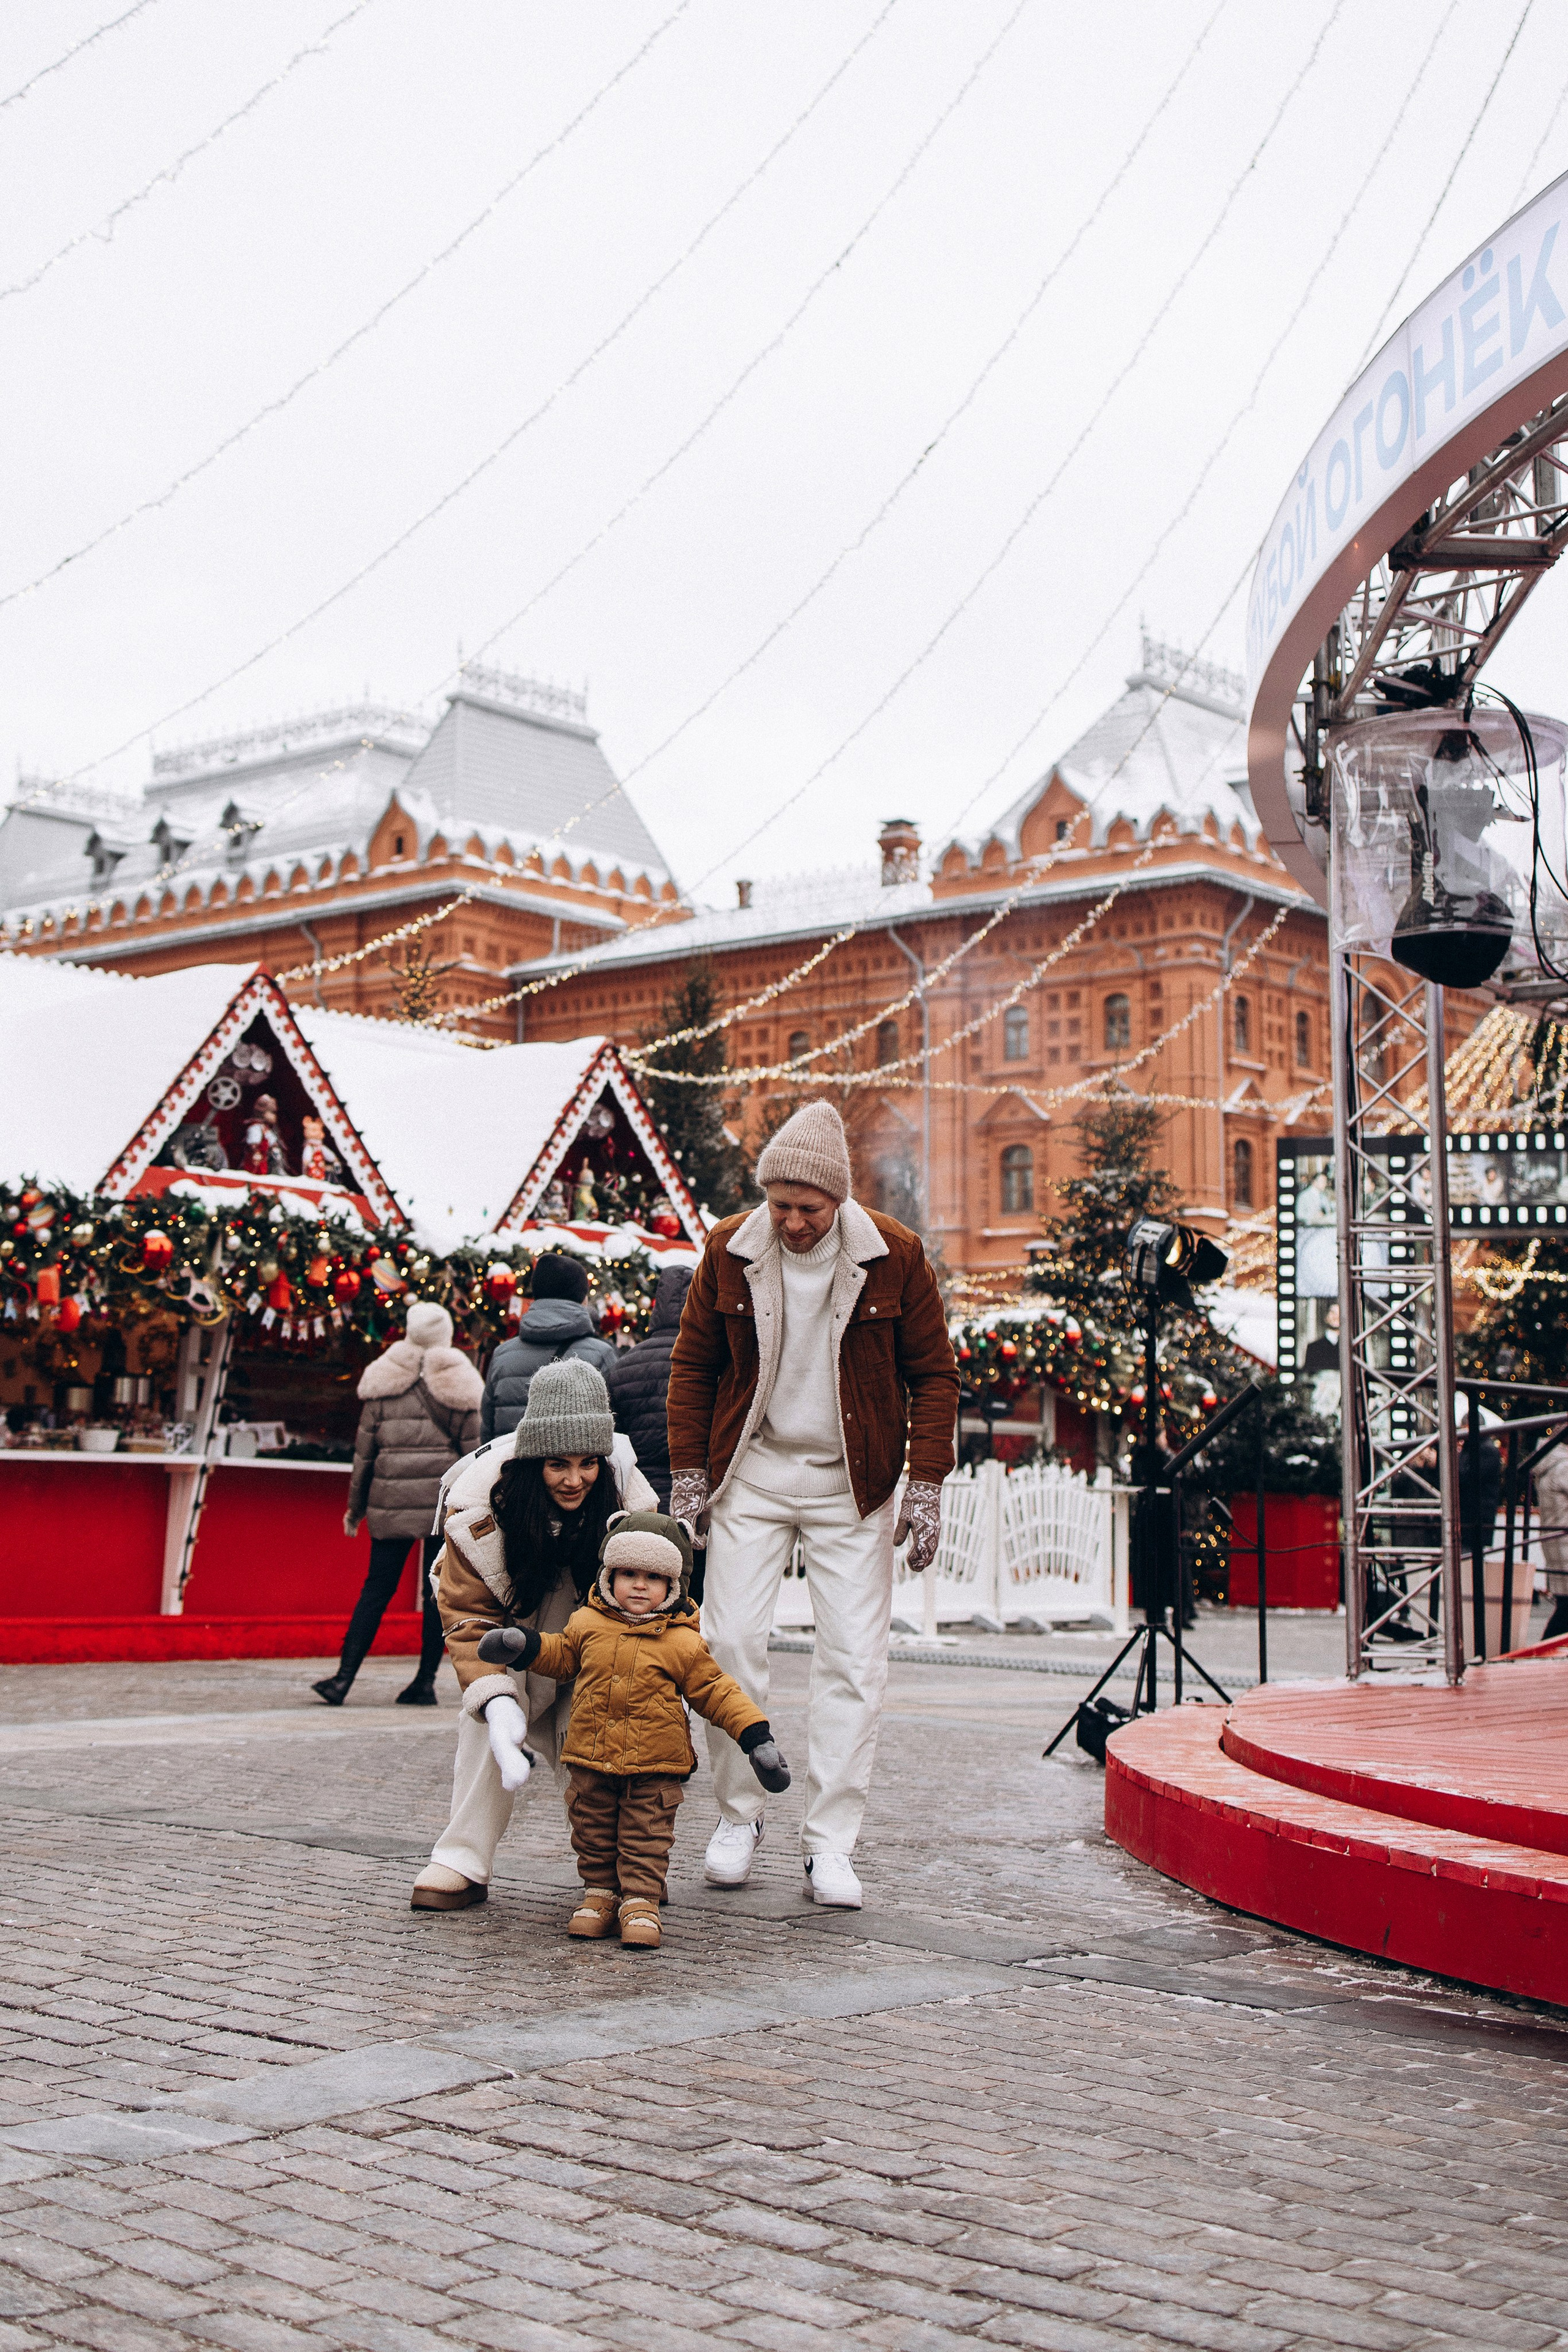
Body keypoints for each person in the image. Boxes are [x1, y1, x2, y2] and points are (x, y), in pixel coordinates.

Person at [666, 1099, 959, 1910]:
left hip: (853, 1487)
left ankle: (830, 1843)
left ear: (839, 1199)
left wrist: (926, 1485)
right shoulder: (730, 1247)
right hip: (752, 1475)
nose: (792, 1223)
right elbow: (693, 1364)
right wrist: (689, 1476)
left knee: (855, 1664)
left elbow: (934, 1375)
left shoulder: (895, 1254)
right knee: (727, 1643)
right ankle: (739, 1816)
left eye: (809, 1209)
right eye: (780, 1205)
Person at [410, 1357, 657, 1910]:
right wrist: (497, 1699)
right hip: (513, 1649)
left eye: (589, 1463)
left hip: (593, 1658)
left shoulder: (632, 1509)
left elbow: (661, 1607)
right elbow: (467, 1617)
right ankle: (461, 1860)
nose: (575, 1479)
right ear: (533, 1461)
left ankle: (622, 1869)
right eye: (558, 1464)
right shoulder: (479, 1512)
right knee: (483, 1721)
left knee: (603, 1747)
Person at [477, 1511, 790, 1948]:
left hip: (655, 1765)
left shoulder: (683, 1642)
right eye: (628, 1574)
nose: (639, 1586)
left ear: (674, 1584)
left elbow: (718, 1693)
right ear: (609, 1574)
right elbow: (562, 1656)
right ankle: (600, 1894)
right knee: (592, 1830)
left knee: (646, 1834)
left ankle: (641, 1901)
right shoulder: (587, 1623)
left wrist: (756, 1737)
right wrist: (524, 1646)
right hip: (591, 1756)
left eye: (653, 1577)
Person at [316, 1301, 483, 1708]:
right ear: (446, 1335)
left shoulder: (383, 1379)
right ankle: (424, 1683)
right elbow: (473, 1458)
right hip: (441, 1507)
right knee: (436, 1592)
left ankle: (343, 1679)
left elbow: (364, 1456)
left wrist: (355, 1508)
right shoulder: (462, 1382)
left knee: (377, 1588)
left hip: (390, 1502)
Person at [480, 1251, 617, 1443]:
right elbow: (615, 1431)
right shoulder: (602, 1355)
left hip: (511, 1461)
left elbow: (487, 1432)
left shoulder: (502, 1355)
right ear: (583, 1299)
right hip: (575, 1463)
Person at [604, 1265, 692, 1511]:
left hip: (640, 1495)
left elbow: (613, 1443)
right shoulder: (712, 1363)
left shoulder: (623, 1366)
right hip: (696, 1494)